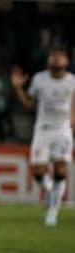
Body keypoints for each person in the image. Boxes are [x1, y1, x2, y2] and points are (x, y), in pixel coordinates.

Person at [12, 47, 75, 227]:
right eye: (53, 57)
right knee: (38, 172)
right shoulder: (39, 79)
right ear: (48, 61)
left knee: (60, 172)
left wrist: (73, 121)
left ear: (66, 61)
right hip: (43, 130)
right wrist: (18, 88)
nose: (56, 60)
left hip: (62, 130)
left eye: (59, 57)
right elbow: (29, 104)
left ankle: (53, 212)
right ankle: (49, 192)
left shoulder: (72, 81)